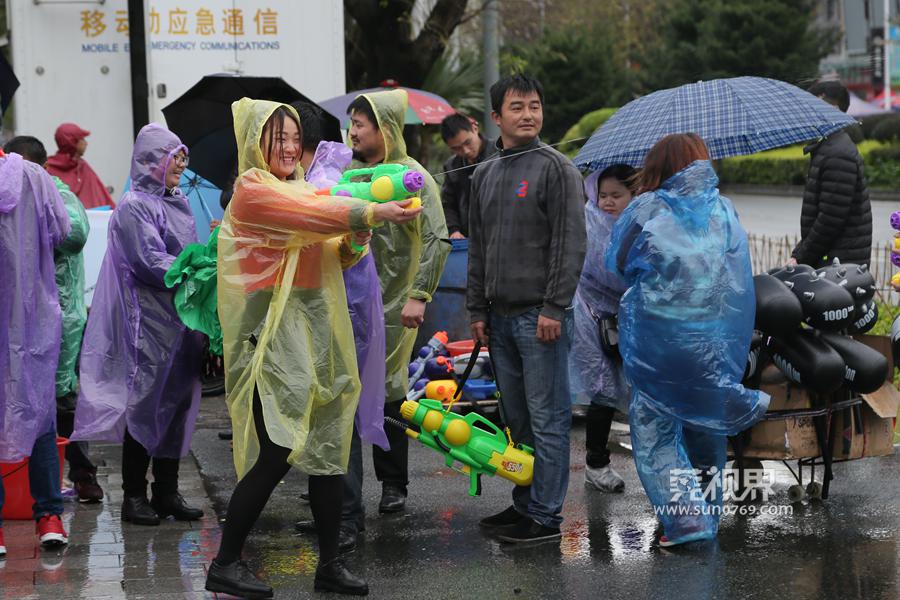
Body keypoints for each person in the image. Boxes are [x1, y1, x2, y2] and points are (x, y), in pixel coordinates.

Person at [205, 98, 419, 599]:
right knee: (279, 450)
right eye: (275, 137)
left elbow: (336, 253)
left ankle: (330, 564)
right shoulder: (253, 191)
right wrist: (368, 208)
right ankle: (226, 561)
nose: (287, 146)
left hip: (319, 333)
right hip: (273, 340)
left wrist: (358, 234)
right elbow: (313, 213)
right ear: (255, 143)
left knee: (329, 449)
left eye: (293, 137)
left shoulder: (305, 189)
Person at [605, 133, 769, 548]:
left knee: (656, 433)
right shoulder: (725, 210)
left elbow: (618, 263)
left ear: (657, 165)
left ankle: (687, 522)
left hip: (660, 346)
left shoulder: (646, 209)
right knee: (705, 428)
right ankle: (706, 515)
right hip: (714, 345)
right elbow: (736, 274)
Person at [467, 74, 587, 544]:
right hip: (498, 318)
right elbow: (479, 249)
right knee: (516, 420)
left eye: (534, 106)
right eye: (517, 107)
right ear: (496, 117)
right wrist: (477, 309)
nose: (528, 115)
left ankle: (545, 516)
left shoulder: (557, 169)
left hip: (541, 318)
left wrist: (555, 307)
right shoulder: (483, 174)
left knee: (549, 418)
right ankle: (525, 503)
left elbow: (570, 244)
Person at [72, 124, 205, 526]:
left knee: (177, 404)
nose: (180, 165)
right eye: (174, 157)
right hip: (147, 321)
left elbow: (183, 253)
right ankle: (134, 495)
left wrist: (202, 263)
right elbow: (150, 262)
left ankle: (166, 492)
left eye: (182, 157)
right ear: (151, 162)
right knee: (146, 404)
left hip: (182, 318)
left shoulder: (177, 200)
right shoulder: (134, 206)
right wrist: (196, 271)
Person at [341, 90, 449, 522]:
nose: (352, 132)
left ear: (384, 129)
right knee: (343, 393)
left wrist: (419, 295)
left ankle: (393, 485)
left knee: (388, 394)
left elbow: (438, 239)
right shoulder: (347, 174)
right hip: (349, 301)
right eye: (350, 124)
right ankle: (342, 490)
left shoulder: (413, 177)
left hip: (394, 303)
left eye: (360, 125)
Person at [3, 136, 103, 504]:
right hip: (19, 321)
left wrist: (32, 219)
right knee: (25, 403)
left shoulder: (57, 193)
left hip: (59, 320)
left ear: (40, 169)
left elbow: (74, 235)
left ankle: (82, 474)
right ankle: (31, 487)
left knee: (63, 403)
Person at [0, 146, 71, 556]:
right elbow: (62, 231)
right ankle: (49, 515)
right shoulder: (33, 176)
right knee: (39, 408)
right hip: (30, 316)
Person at [569, 164, 636, 494]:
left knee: (643, 388)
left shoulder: (641, 221)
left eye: (617, 195)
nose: (607, 202)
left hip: (634, 313)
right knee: (602, 389)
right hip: (591, 313)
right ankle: (596, 464)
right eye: (603, 195)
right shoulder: (588, 220)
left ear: (633, 194)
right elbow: (605, 271)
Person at [789, 80, 872, 268]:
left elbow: (829, 221)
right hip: (834, 259)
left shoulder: (838, 154)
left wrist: (800, 257)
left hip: (840, 266)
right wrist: (800, 252)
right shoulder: (826, 147)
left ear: (832, 108)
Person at [439, 112, 497, 239]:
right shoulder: (452, 166)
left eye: (468, 142)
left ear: (475, 129)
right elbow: (448, 203)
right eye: (456, 148)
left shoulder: (500, 154)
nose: (465, 151)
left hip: (500, 233)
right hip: (468, 237)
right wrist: (453, 230)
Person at [46, 122, 115, 209]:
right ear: (73, 142)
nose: (86, 143)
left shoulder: (47, 167)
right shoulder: (80, 166)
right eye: (82, 139)